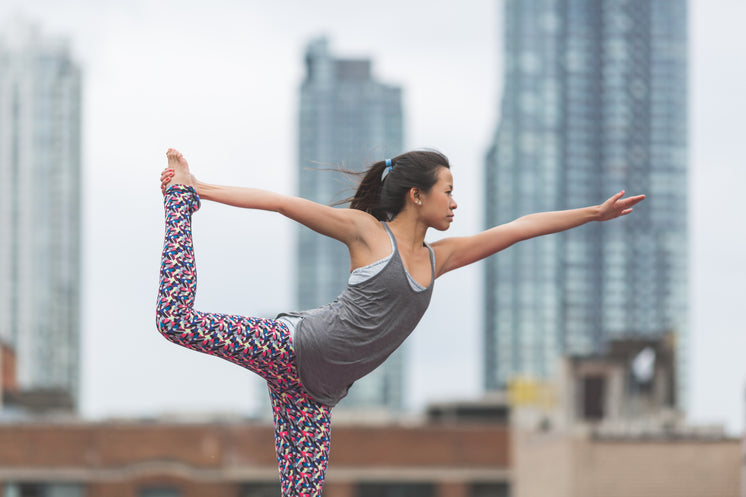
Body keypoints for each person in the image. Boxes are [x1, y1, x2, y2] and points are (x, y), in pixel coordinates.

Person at [156, 148, 644, 496]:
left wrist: (593, 214)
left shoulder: (440, 259)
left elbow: (518, 229)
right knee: (174, 320)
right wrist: (199, 188)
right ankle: (180, 201)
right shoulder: (367, 233)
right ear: (417, 195)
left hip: (314, 396)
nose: (455, 203)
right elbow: (283, 203)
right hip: (290, 345)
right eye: (448, 191)